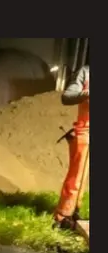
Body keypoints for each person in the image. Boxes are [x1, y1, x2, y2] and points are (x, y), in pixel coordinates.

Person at [54, 62, 90, 229]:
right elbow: (67, 96)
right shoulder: (86, 72)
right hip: (86, 131)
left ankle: (77, 209)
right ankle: (64, 216)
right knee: (77, 175)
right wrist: (87, 93)